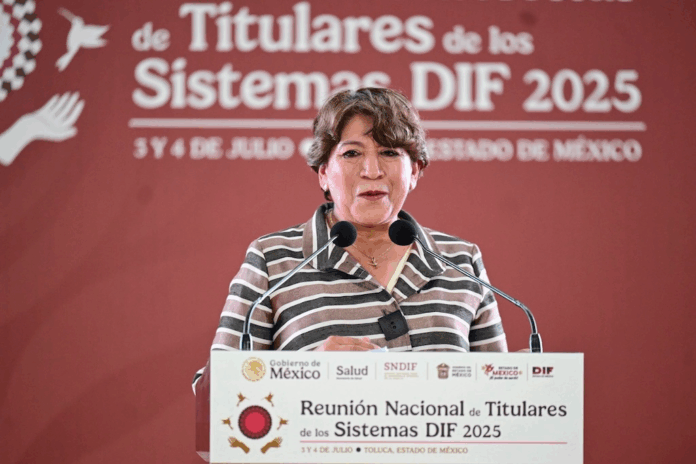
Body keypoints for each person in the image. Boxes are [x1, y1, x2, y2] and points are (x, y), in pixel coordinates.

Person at [193, 87, 507, 390]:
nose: (372, 170)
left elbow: (500, 398)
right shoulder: (274, 260)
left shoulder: (461, 261)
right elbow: (215, 391)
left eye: (389, 152)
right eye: (352, 153)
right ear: (323, 173)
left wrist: (518, 380)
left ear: (414, 171)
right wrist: (303, 374)